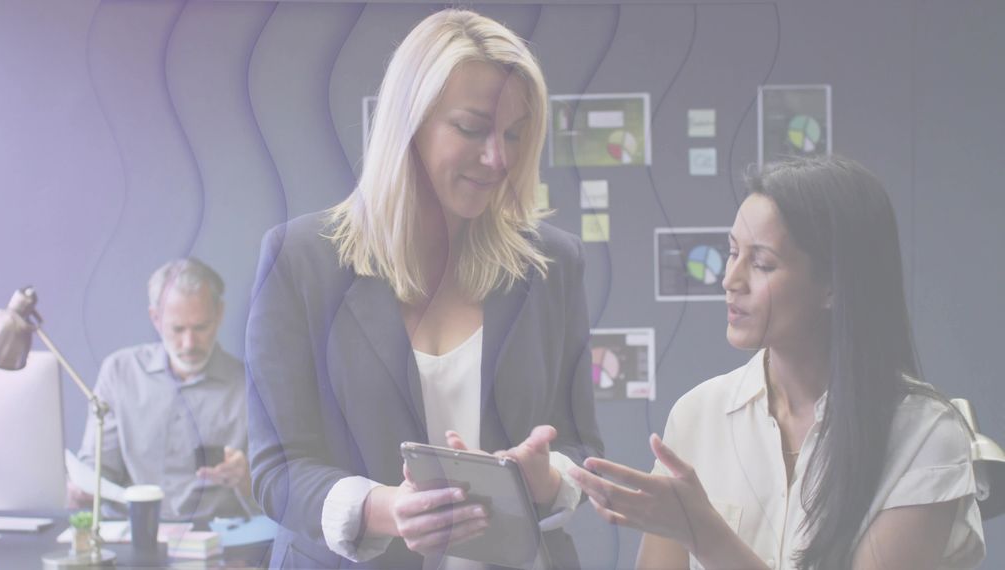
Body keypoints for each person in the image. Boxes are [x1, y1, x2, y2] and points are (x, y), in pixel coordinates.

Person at [246, 8, 603, 569]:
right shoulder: (299, 260)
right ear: (407, 122)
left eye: (514, 133)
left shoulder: (552, 264)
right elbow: (277, 469)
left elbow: (582, 444)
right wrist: (385, 508)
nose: (499, 158)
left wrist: (547, 476)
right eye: (472, 128)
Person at [570, 156, 986, 569]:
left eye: (762, 263)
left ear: (833, 285)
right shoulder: (699, 415)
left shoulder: (923, 435)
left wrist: (706, 535)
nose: (730, 280)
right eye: (732, 253)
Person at [70, 258, 256, 520]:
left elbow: (278, 499)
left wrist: (246, 480)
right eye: (177, 329)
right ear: (155, 319)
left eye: (201, 327)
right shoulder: (120, 372)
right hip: (133, 533)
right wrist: (83, 489)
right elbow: (99, 471)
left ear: (219, 314)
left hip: (219, 542)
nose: (189, 343)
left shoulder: (249, 386)